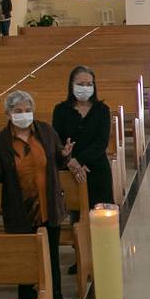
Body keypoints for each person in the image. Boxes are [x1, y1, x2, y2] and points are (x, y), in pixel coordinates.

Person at [0, 91, 76, 299]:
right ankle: (25, 295)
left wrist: (65, 154)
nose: (23, 115)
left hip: (48, 204)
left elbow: (58, 161)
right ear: (8, 114)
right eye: (18, 111)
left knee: (50, 252)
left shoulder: (45, 131)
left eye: (27, 110)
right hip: (20, 208)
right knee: (25, 254)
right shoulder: (1, 139)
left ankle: (56, 295)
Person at [52, 65, 115, 212]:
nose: (84, 88)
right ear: (72, 85)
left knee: (102, 216)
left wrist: (79, 161)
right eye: (80, 84)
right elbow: (58, 141)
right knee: (76, 213)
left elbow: (102, 142)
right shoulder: (60, 111)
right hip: (71, 170)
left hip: (97, 169)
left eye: (89, 84)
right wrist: (72, 163)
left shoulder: (102, 110)